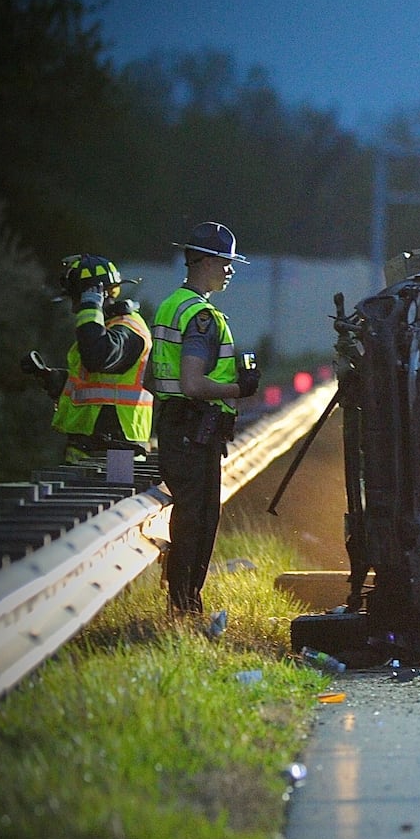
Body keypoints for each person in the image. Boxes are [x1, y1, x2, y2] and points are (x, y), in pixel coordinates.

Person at [150, 221, 261, 618]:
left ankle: (181, 603)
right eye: (225, 262)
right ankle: (185, 607)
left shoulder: (171, 304)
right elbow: (193, 383)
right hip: (193, 432)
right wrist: (240, 388)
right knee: (198, 521)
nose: (230, 270)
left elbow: (164, 380)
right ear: (205, 262)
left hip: (176, 428)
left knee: (190, 516)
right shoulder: (201, 316)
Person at [20, 255, 154, 465]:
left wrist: (91, 307)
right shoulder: (104, 329)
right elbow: (96, 383)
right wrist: (55, 379)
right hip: (92, 453)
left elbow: (97, 357)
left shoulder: (128, 330)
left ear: (98, 294)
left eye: (77, 300)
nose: (75, 309)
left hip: (116, 456)